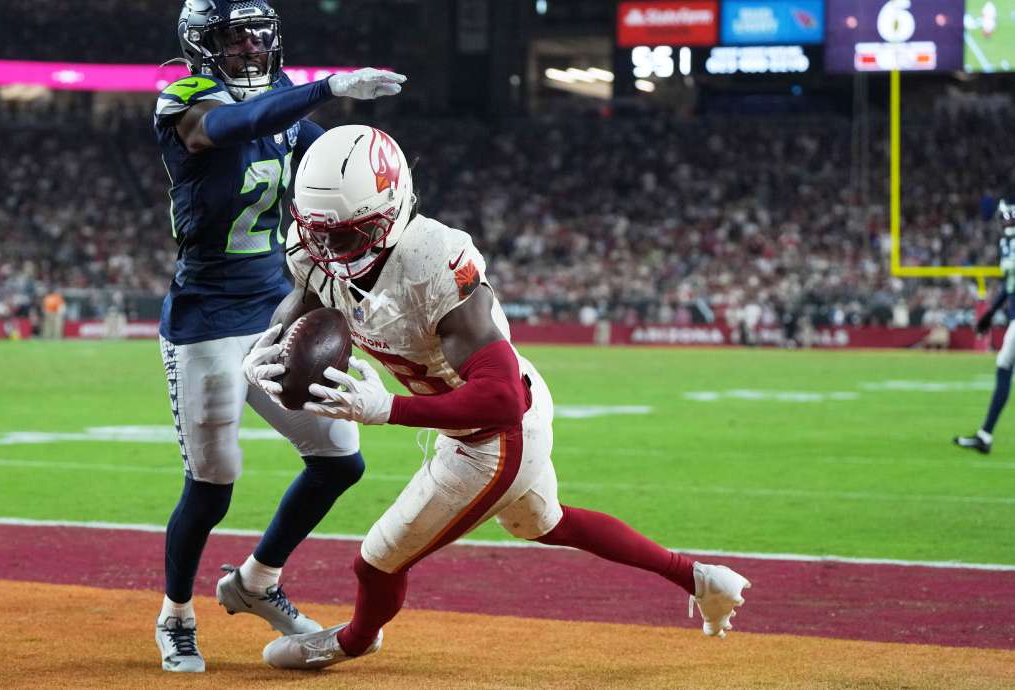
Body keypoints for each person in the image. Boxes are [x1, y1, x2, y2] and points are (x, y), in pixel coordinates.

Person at [240, 126, 751, 669]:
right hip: (476, 415)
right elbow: (304, 299)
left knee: (377, 564)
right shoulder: (319, 245)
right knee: (546, 522)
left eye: (345, 236)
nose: (328, 250)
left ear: (390, 212)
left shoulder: (435, 262)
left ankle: (354, 640)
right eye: (318, 233)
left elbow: (503, 400)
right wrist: (268, 346)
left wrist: (387, 409)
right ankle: (699, 578)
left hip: (495, 432)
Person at [150, 0, 406, 673]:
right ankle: (175, 615)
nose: (252, 50)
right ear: (204, 45)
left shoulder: (289, 117)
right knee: (213, 481)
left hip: (274, 313)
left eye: (261, 38)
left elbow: (341, 164)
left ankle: (257, 580)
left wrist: (389, 177)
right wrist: (325, 87)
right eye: (236, 40)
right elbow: (231, 126)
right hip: (205, 320)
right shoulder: (185, 99)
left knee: (340, 459)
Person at [955, 199, 1015, 454]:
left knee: (1004, 366)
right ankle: (985, 435)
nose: (1002, 222)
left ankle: (985, 435)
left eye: (1005, 217)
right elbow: (1009, 284)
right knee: (1003, 365)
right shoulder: (1006, 244)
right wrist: (990, 313)